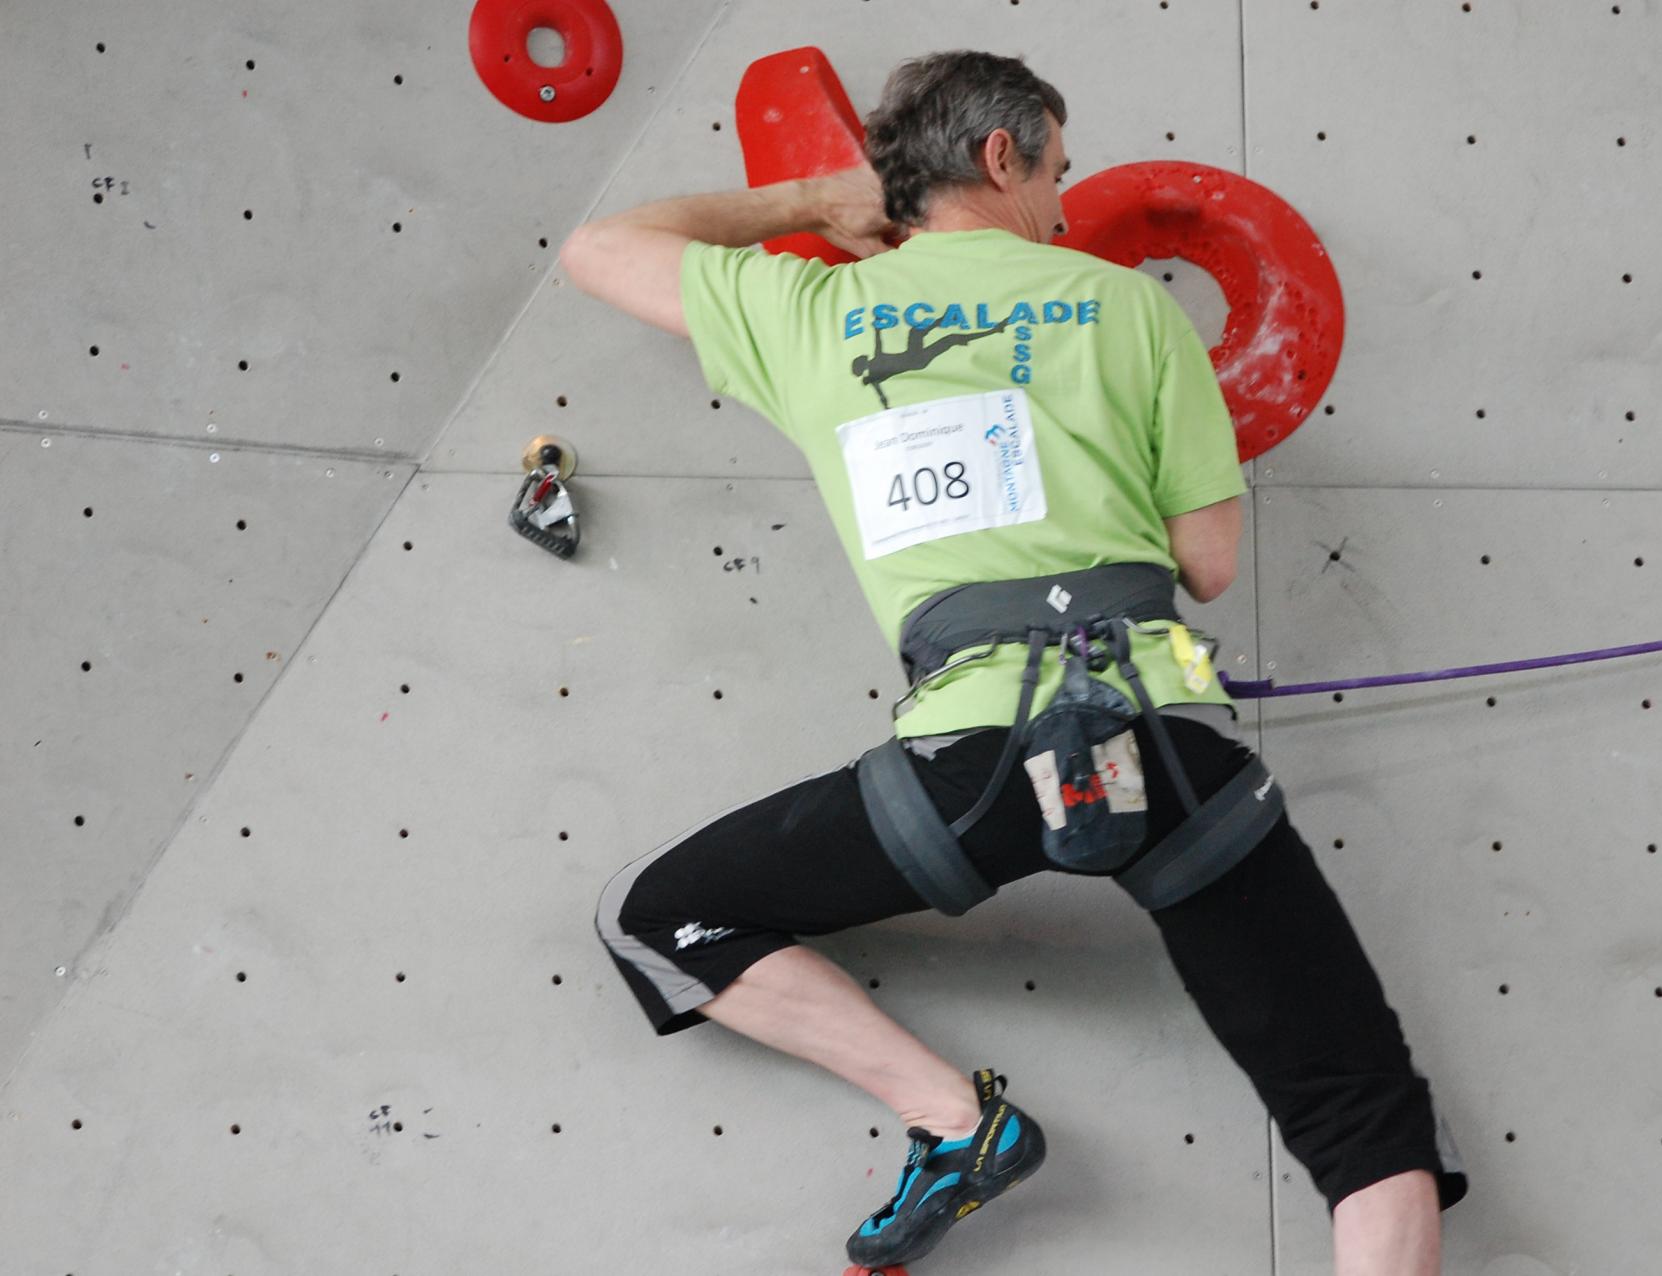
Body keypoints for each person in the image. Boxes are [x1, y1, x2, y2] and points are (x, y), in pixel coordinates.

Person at [565, 48, 1468, 1274]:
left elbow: (599, 248)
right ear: (1002, 157)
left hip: (966, 762)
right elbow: (1207, 564)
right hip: (1162, 741)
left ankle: (955, 1120)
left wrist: (813, 204)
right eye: (1057, 172)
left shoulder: (813, 314)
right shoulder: (1132, 310)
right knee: (1362, 1113)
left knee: (659, 914)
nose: (1061, 205)